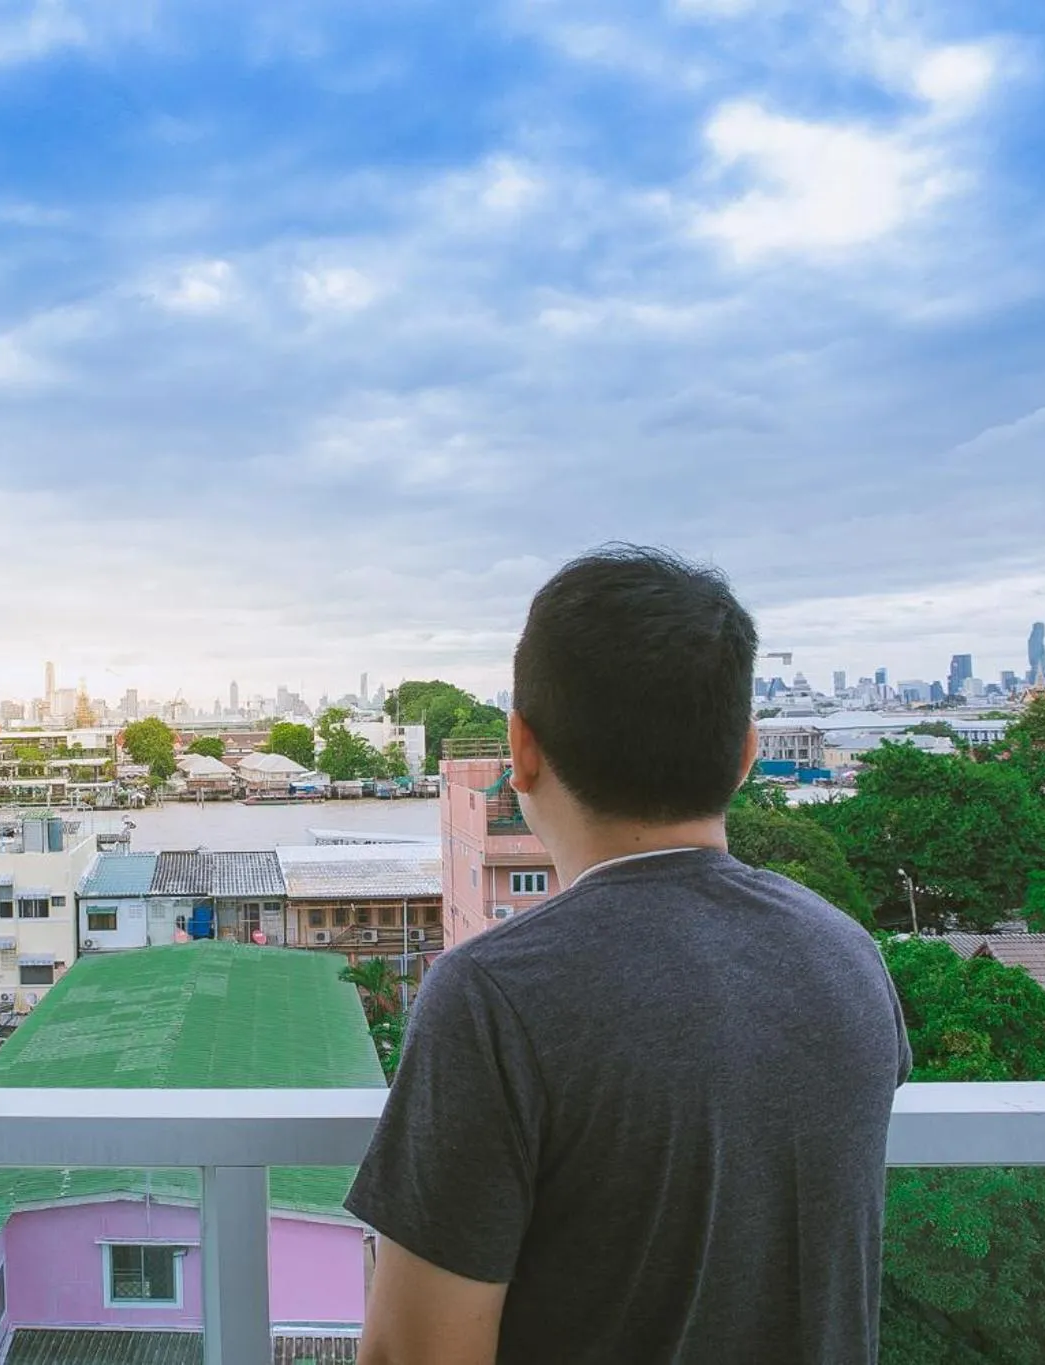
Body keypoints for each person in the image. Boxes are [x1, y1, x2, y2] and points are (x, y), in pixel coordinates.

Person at [348, 546, 910, 1365]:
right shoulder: (848, 954)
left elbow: (415, 1354)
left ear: (522, 751)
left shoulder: (497, 995)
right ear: (747, 754)